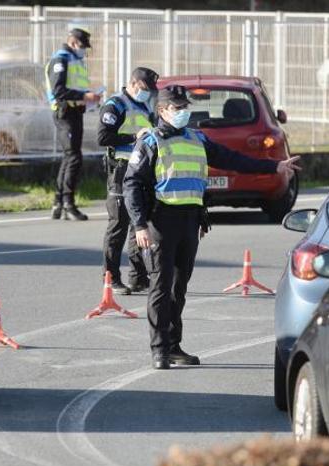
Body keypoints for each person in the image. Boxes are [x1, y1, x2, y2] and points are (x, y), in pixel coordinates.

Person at [124, 85, 302, 370]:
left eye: (185, 107)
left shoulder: (197, 138)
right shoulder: (150, 142)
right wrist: (140, 225)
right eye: (177, 108)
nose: (183, 112)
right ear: (162, 111)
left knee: (178, 288)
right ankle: (159, 349)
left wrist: (274, 167)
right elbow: (131, 184)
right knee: (160, 285)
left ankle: (174, 345)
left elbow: (232, 159)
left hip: (190, 221)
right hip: (160, 222)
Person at [98, 67, 158, 294]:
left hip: (141, 170)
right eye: (144, 88)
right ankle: (110, 278)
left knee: (138, 224)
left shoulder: (144, 106)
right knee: (119, 226)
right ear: (133, 84)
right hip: (121, 171)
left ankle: (138, 277)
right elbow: (103, 137)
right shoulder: (116, 104)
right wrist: (134, 137)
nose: (147, 93)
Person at [45, 26, 99, 221]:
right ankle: (68, 203)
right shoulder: (61, 59)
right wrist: (85, 95)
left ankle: (59, 202)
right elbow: (59, 91)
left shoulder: (75, 60)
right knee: (74, 157)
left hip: (75, 111)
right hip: (65, 112)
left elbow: (73, 87)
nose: (84, 50)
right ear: (73, 42)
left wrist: (87, 99)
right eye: (83, 46)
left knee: (70, 157)